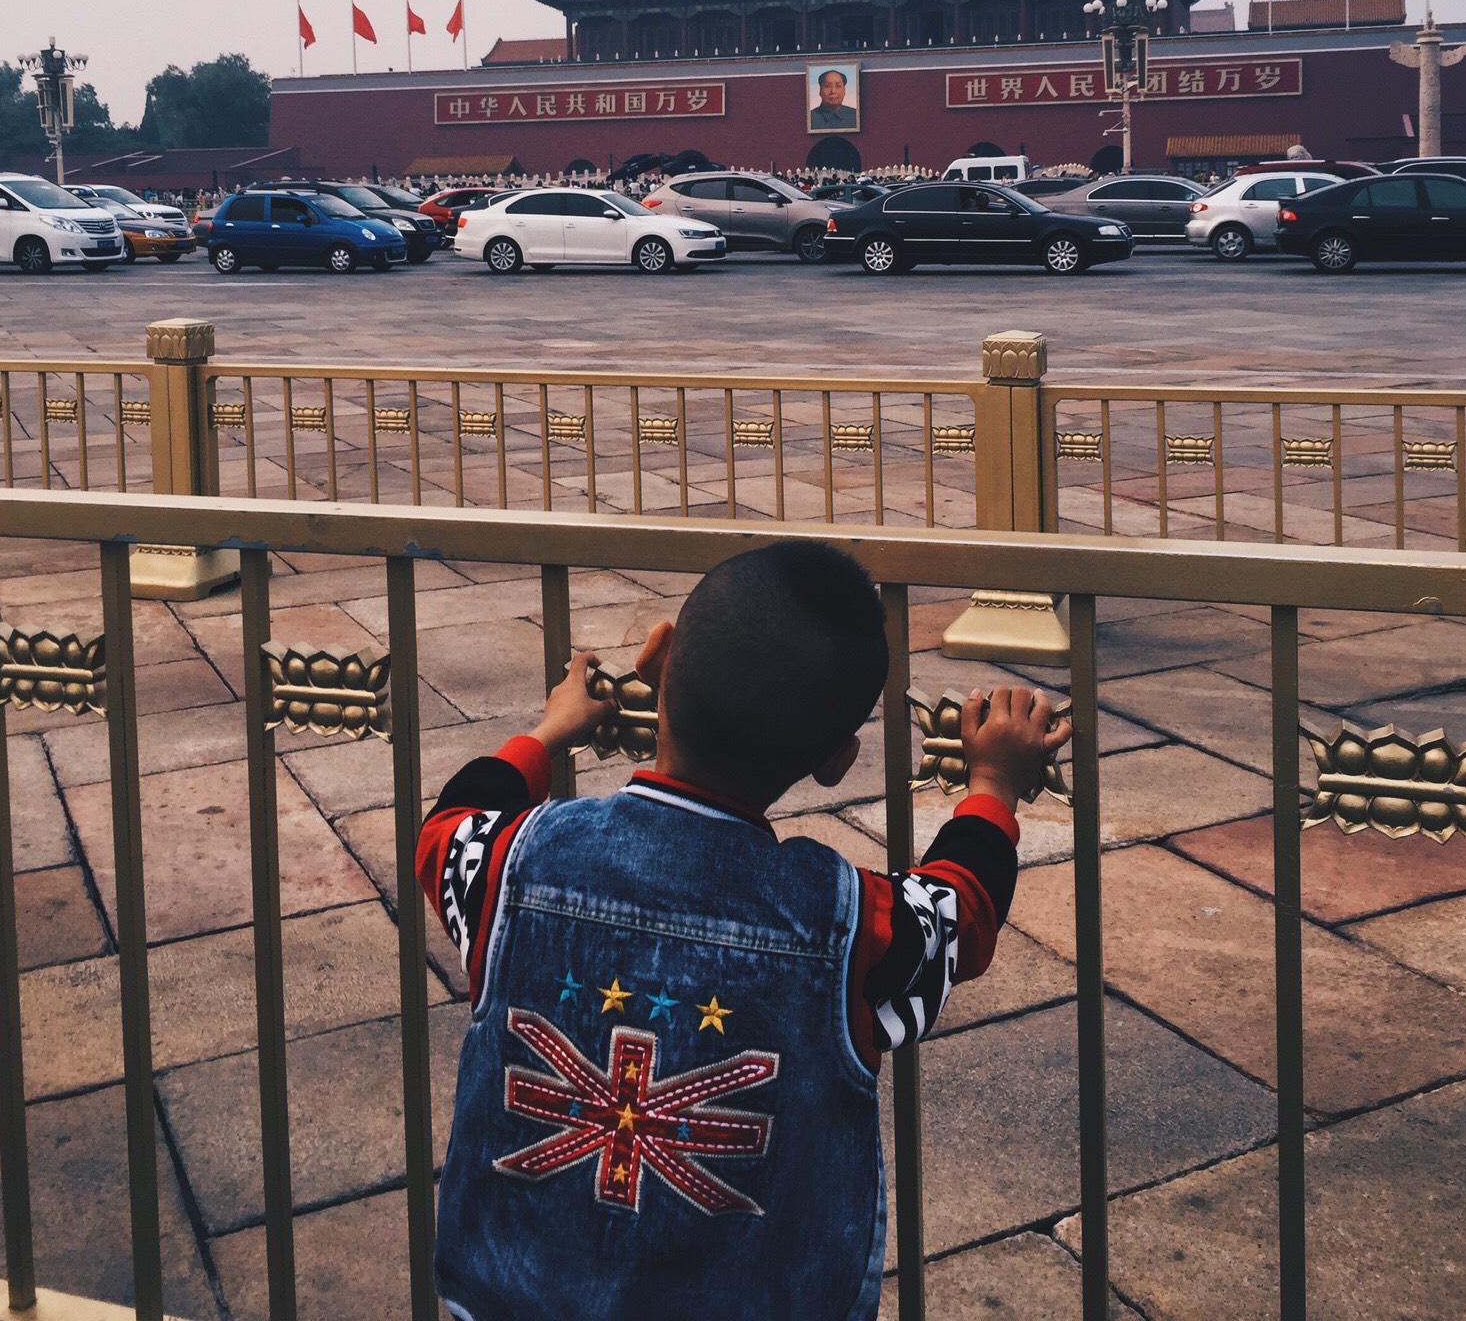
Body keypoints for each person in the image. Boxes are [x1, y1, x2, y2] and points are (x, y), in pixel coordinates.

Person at [418, 541, 1069, 1321]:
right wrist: (993, 786)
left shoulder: (511, 866)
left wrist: (550, 733)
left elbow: (452, 823)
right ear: (835, 762)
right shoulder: (845, 922)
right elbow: (959, 910)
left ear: (658, 659)